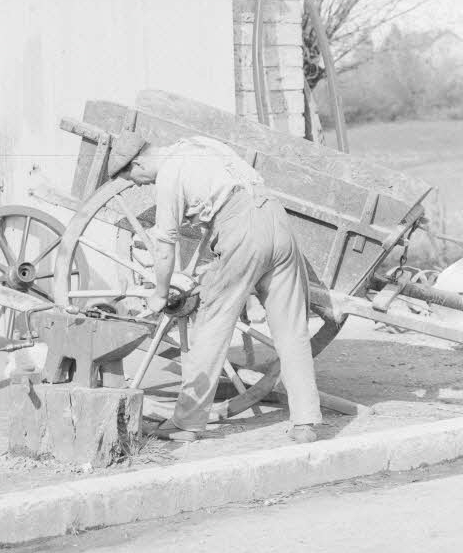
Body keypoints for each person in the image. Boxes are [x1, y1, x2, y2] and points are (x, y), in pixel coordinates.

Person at [106, 131, 324, 444]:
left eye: (137, 178)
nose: (142, 184)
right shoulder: (201, 143)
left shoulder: (169, 172)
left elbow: (165, 245)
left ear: (138, 163)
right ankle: (305, 422)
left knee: (210, 323)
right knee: (291, 327)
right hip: (276, 217)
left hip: (240, 227)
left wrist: (159, 294)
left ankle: (188, 423)